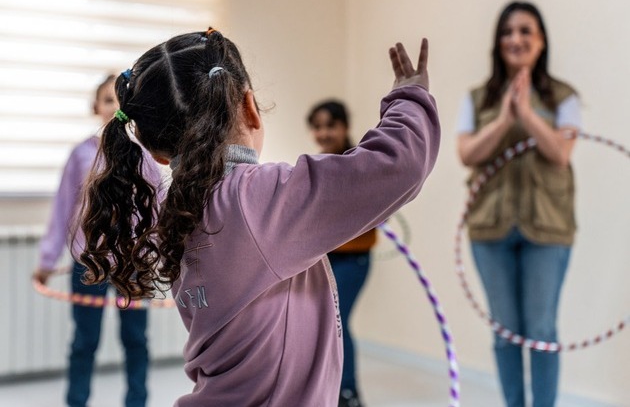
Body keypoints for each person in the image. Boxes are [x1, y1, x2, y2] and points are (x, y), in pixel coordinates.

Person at [78, 28, 440, 406]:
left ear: (156, 152)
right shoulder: (259, 199)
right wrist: (409, 95)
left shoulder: (175, 209)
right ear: (250, 107)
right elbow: (399, 164)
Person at [455, 1, 582, 407]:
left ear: (541, 41)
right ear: (497, 42)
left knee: (541, 331)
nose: (516, 39)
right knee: (505, 332)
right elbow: (467, 153)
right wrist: (504, 119)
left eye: (526, 30)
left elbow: (561, 153)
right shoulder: (476, 98)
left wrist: (526, 113)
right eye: (508, 31)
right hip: (488, 230)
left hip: (549, 230)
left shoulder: (565, 97)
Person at [33, 75, 159, 407]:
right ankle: (77, 402)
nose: (114, 106)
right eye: (106, 99)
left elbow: (156, 209)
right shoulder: (80, 155)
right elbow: (62, 208)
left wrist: (155, 254)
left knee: (135, 339)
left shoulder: (144, 155)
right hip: (87, 263)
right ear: (95, 107)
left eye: (120, 99)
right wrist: (47, 260)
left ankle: (137, 402)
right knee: (84, 341)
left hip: (132, 266)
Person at [306, 100, 376, 407]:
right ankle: (328, 391)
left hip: (354, 257)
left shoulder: (359, 161)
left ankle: (348, 392)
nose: (323, 133)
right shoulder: (317, 165)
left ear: (344, 126)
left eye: (330, 125)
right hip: (325, 258)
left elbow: (379, 206)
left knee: (336, 320)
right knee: (323, 321)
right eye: (318, 126)